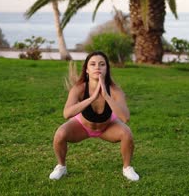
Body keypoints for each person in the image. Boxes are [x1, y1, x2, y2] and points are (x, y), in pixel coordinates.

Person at [49, 51, 139, 181]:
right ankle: (61, 166)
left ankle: (127, 168)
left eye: (102, 64)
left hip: (107, 127)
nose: (97, 67)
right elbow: (67, 113)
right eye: (93, 64)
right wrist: (91, 98)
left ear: (106, 69)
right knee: (60, 134)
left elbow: (125, 117)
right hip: (82, 127)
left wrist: (107, 97)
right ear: (87, 70)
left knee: (127, 133)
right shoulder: (79, 88)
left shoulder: (115, 90)